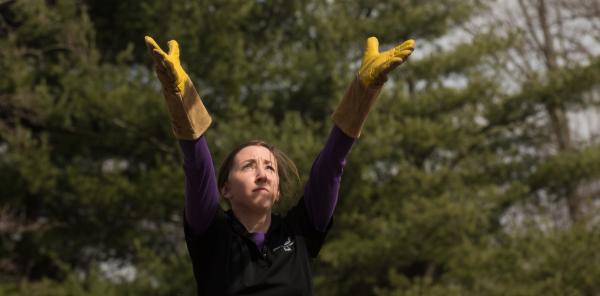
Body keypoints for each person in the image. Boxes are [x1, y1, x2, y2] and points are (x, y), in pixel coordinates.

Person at [145, 34, 415, 296]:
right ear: (225, 189)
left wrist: (364, 90)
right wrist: (180, 96)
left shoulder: (300, 231)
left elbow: (332, 164)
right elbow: (197, 166)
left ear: (278, 192)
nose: (262, 175)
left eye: (270, 168)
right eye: (249, 166)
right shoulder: (211, 232)